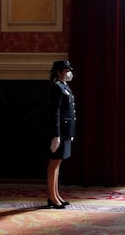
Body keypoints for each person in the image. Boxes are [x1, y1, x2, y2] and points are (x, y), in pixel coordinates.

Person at [47, 60, 76, 209]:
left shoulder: (64, 87)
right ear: (58, 72)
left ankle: (56, 194)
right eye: (66, 70)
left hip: (66, 131)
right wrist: (56, 134)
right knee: (54, 163)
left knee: (58, 163)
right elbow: (55, 112)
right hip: (59, 132)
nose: (68, 73)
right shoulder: (56, 88)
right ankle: (52, 196)